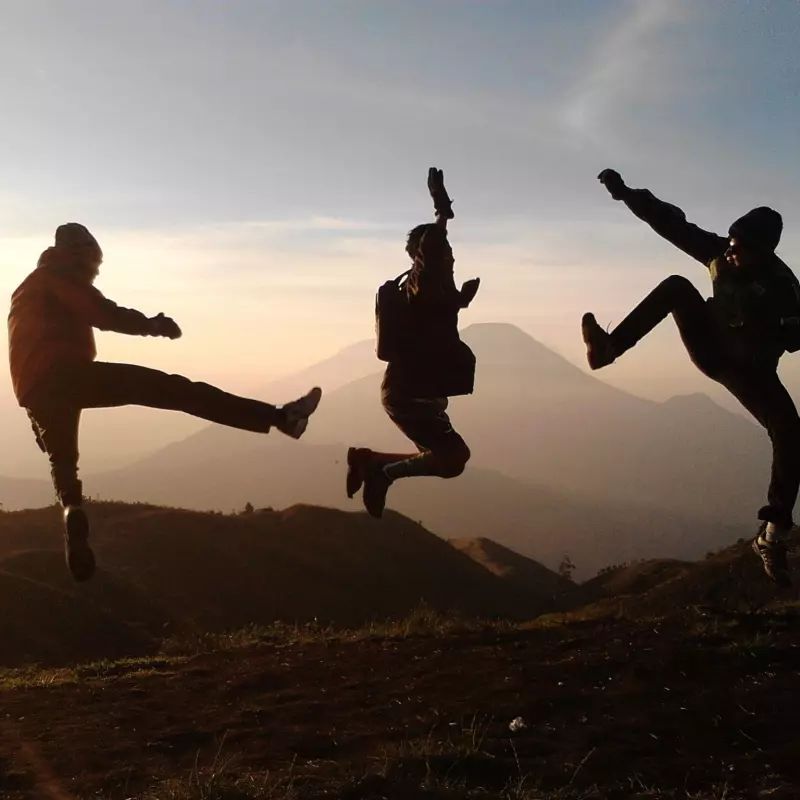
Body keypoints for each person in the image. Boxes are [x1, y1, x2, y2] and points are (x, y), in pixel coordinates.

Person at [8, 223, 322, 582]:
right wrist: (152, 325)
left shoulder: (27, 288)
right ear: (77, 255)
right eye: (92, 265)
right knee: (172, 390)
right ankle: (282, 417)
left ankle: (71, 513)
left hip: (34, 391)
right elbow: (102, 313)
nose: (94, 273)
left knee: (62, 460)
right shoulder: (58, 275)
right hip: (65, 374)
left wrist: (37, 418)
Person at [584, 169, 800, 587]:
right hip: (712, 348)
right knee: (677, 286)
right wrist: (626, 194)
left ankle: (772, 535)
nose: (733, 253)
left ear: (766, 253)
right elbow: (671, 222)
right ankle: (610, 349)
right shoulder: (720, 252)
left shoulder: (784, 289)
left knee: (791, 431)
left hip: (751, 371)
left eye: (743, 250)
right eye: (732, 244)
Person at [345, 168, 480, 518]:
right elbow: (432, 249)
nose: (450, 255)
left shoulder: (427, 290)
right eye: (445, 250)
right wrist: (441, 213)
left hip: (415, 393)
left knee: (448, 461)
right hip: (409, 394)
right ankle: (380, 472)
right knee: (454, 458)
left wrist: (460, 300)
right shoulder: (424, 280)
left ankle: (370, 462)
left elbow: (432, 316)